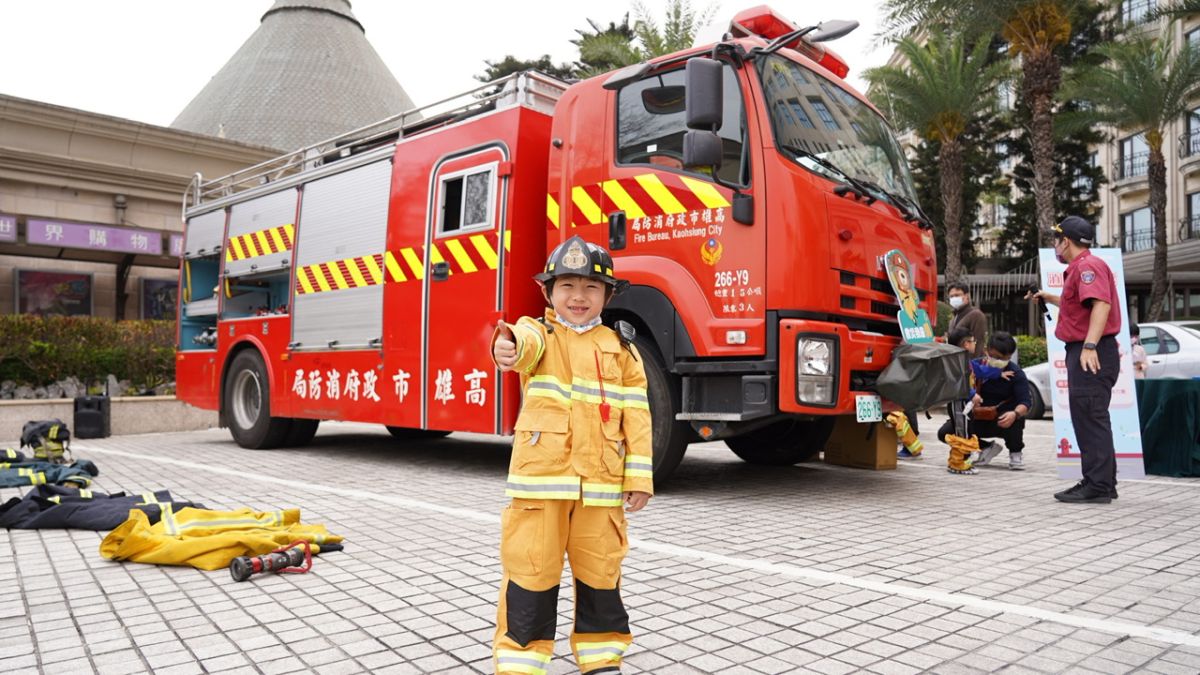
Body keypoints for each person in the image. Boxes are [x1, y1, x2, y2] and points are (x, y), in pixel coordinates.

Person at [490, 235, 654, 674]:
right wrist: (505, 347)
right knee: (532, 570)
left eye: (591, 287)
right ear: (547, 292)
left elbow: (638, 417)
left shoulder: (622, 349)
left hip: (600, 486)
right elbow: (518, 346)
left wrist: (639, 478)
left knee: (601, 572)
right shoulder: (537, 333)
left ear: (608, 295)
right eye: (566, 286)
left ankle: (601, 655)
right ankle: (520, 660)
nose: (578, 297)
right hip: (540, 486)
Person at [1026, 215, 1122, 504]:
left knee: (1089, 417)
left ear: (1065, 241)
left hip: (1090, 350)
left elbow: (1101, 305)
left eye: (1057, 239)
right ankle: (1104, 482)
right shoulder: (1084, 267)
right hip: (1090, 349)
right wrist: (1050, 298)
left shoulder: (1087, 266)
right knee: (1092, 417)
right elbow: (1081, 304)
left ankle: (1097, 486)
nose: (1055, 245)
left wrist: (1090, 346)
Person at [941, 331, 1031, 471]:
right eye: (995, 357)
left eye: (1004, 358)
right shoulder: (974, 366)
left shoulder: (1016, 373)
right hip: (975, 418)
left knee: (1016, 419)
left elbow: (1025, 402)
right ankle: (985, 447)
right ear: (986, 351)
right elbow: (958, 384)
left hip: (1001, 420)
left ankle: (1015, 453)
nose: (999, 361)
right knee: (945, 432)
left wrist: (1015, 413)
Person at [946, 281, 987, 358]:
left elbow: (979, 342)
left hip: (970, 361)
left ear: (967, 296)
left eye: (957, 295)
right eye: (951, 296)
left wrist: (975, 362)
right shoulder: (954, 317)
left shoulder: (976, 315)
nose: (954, 298)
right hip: (957, 360)